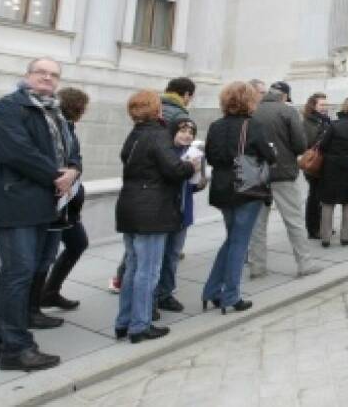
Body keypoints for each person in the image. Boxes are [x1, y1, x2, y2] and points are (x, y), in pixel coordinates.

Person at [0, 57, 80, 370]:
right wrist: (57, 174)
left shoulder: (55, 112)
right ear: (27, 75)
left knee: (14, 272)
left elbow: (72, 149)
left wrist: (74, 169)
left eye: (53, 75)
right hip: (14, 203)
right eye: (41, 72)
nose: (47, 78)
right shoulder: (9, 107)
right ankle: (16, 348)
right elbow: (16, 150)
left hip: (42, 204)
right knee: (19, 272)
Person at [114, 90, 198, 343]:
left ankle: (124, 321)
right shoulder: (158, 135)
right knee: (148, 270)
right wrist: (190, 166)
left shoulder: (135, 134)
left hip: (129, 205)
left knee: (132, 267)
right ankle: (140, 325)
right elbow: (173, 169)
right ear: (157, 110)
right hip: (151, 210)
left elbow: (126, 158)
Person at [203, 82, 277, 313]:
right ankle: (231, 295)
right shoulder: (253, 125)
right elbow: (269, 156)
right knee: (238, 242)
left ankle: (212, 290)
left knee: (232, 238)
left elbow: (211, 157)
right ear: (249, 101)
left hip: (222, 188)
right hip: (247, 188)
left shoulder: (215, 125)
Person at [249, 81, 319, 278]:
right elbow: (300, 145)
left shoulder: (252, 110)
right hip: (283, 171)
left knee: (258, 224)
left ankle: (257, 266)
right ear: (285, 96)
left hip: (256, 173)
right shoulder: (288, 112)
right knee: (294, 220)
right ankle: (304, 263)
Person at [41, 88, 90, 311]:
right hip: (58, 204)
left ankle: (49, 293)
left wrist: (74, 171)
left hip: (68, 205)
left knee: (77, 244)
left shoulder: (68, 127)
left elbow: (75, 159)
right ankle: (34, 303)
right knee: (42, 257)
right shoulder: (59, 127)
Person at [154, 119, 205, 313]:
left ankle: (166, 294)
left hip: (183, 212)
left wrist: (199, 178)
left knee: (173, 255)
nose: (187, 135)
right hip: (165, 213)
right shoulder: (166, 153)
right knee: (158, 257)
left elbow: (193, 186)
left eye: (191, 132)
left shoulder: (192, 153)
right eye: (182, 131)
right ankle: (151, 298)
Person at [318, 98, 348, 247]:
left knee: (327, 202)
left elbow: (322, 146)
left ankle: (325, 237)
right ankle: (346, 237)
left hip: (332, 168)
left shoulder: (334, 125)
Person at [302, 93, 332, 239]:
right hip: (314, 162)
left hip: (325, 162)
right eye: (322, 105)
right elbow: (308, 142)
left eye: (326, 105)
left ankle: (324, 226)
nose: (325, 108)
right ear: (313, 106)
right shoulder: (308, 121)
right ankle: (313, 228)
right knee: (314, 196)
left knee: (324, 195)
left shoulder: (326, 120)